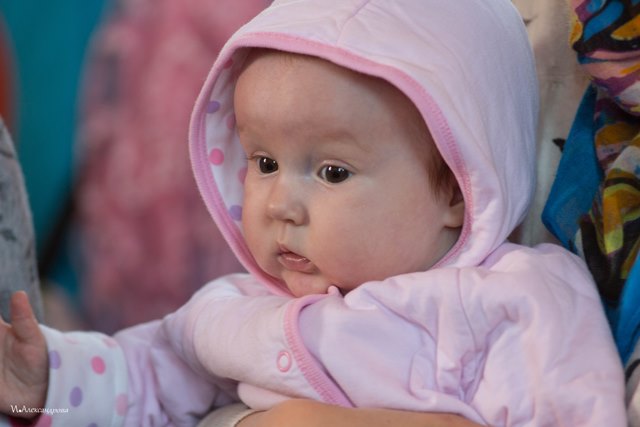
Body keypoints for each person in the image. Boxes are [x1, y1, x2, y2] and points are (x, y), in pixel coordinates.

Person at [0, 0, 628, 426]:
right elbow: (141, 380)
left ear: (457, 190)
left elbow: (572, 407)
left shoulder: (511, 300)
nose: (280, 204)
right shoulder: (235, 310)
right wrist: (47, 378)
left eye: (332, 172)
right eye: (264, 162)